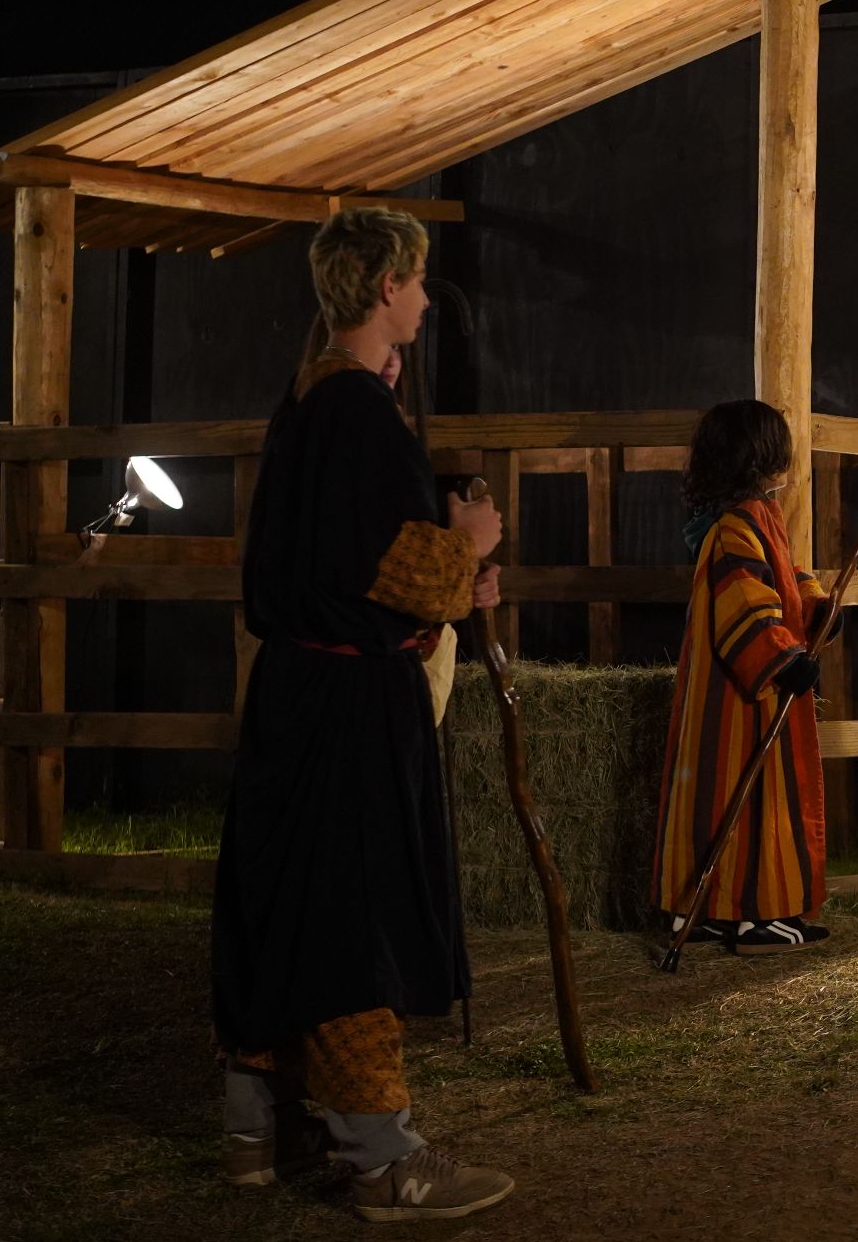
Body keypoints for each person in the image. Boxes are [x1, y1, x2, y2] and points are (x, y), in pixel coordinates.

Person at [211, 207, 514, 1223]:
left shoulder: (306, 403)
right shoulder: (355, 416)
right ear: (386, 286)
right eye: (419, 283)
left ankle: (255, 1125)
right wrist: (469, 541)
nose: (426, 301)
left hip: (299, 693)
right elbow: (394, 561)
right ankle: (379, 1155)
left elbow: (338, 567)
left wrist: (444, 590)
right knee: (353, 916)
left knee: (287, 903)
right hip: (346, 710)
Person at [653, 400, 831, 954]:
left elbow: (786, 574)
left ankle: (707, 910)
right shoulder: (733, 527)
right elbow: (744, 605)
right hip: (739, 700)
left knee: (721, 794)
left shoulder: (758, 518)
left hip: (744, 691)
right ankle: (754, 913)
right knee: (749, 796)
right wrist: (784, 657)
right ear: (761, 457)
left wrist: (817, 605)